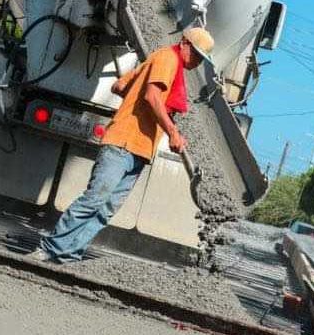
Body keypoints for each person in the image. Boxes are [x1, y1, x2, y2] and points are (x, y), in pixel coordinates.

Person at [29, 27, 215, 263]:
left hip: (138, 149)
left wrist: (135, 97)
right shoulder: (168, 58)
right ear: (184, 43)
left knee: (105, 209)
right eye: (197, 54)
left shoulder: (161, 62)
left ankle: (68, 255)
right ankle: (50, 249)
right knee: (95, 199)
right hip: (123, 143)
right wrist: (172, 132)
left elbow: (119, 86)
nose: (197, 61)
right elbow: (152, 97)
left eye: (201, 59)